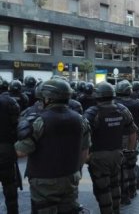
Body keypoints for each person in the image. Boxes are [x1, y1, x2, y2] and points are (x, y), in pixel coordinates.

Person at [15, 78, 90, 213]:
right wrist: (76, 170)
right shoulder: (81, 119)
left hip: (44, 181)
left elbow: (21, 152)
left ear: (48, 99)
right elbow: (85, 151)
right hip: (71, 177)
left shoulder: (38, 120)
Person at [84, 81, 137, 213]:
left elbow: (82, 135)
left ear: (97, 96)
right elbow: (132, 132)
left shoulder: (92, 112)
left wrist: (86, 157)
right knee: (115, 185)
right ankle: (116, 210)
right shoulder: (122, 110)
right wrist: (129, 151)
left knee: (103, 190)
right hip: (117, 154)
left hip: (98, 156)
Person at [114, 80, 139, 203]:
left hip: (115, 141)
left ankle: (120, 193)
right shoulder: (138, 103)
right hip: (132, 138)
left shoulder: (113, 104)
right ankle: (131, 191)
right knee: (130, 165)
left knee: (117, 168)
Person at [0, 77, 20, 214]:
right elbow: (17, 125)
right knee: (9, 185)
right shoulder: (9, 102)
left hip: (6, 146)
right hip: (6, 148)